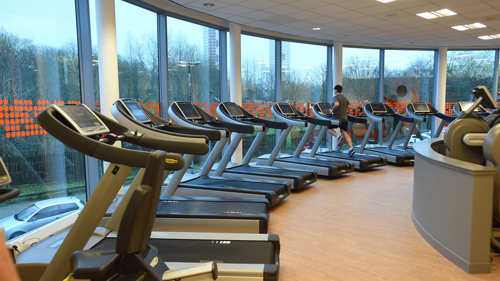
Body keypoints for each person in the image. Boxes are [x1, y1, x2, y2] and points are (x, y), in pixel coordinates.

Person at [327, 85, 355, 157]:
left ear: (336, 90)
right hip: (344, 118)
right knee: (345, 133)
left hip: (337, 118)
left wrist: (332, 110)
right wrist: (342, 111)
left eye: (334, 90)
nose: (334, 91)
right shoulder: (345, 98)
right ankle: (351, 148)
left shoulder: (336, 97)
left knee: (327, 127)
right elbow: (349, 107)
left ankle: (338, 136)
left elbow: (336, 104)